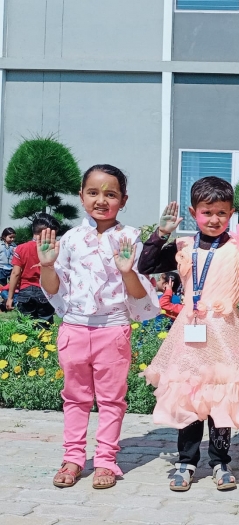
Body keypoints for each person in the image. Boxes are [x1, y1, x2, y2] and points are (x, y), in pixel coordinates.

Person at [138, 177, 239, 492]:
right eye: (207, 212)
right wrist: (160, 234)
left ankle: (220, 461)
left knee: (221, 398)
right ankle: (186, 462)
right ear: (194, 213)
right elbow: (145, 265)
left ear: (231, 213)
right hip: (190, 335)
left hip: (226, 334)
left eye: (221, 213)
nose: (214, 219)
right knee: (189, 395)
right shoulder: (184, 247)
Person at [39, 164, 159, 490]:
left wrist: (127, 271)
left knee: (111, 400)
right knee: (75, 398)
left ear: (124, 199)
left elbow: (139, 294)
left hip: (113, 330)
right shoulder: (70, 239)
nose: (101, 200)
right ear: (81, 196)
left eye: (111, 194)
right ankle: (73, 458)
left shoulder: (130, 238)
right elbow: (52, 288)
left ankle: (106, 460)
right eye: (93, 192)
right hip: (74, 329)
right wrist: (47, 265)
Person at [7, 214, 60, 324]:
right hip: (46, 291)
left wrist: (10, 297)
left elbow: (15, 273)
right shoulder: (53, 250)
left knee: (25, 326)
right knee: (45, 327)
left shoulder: (21, 248)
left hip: (25, 291)